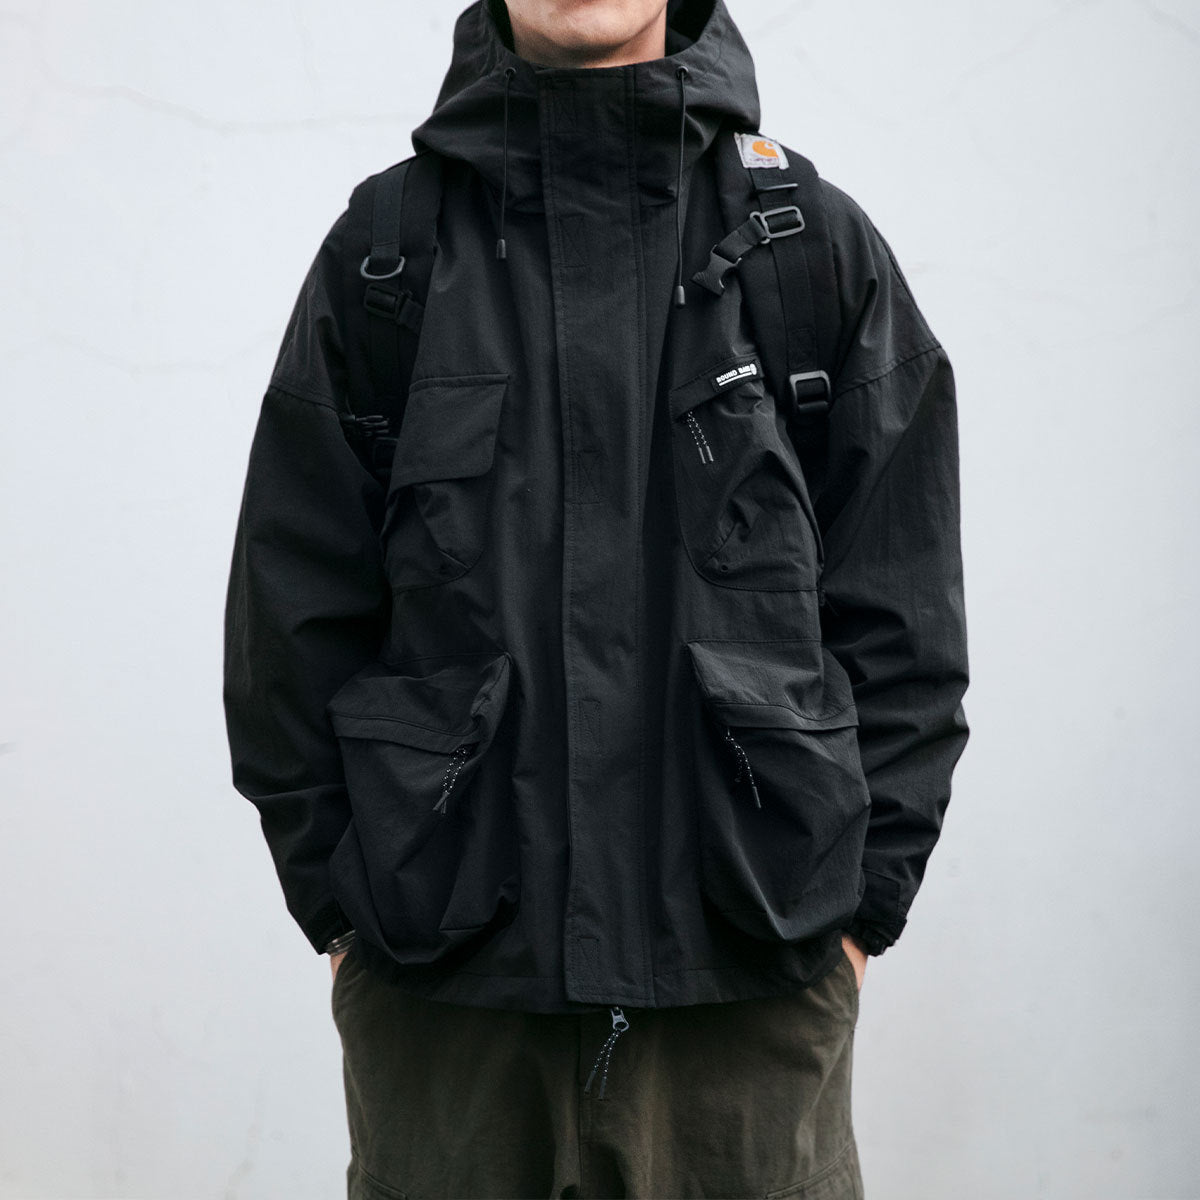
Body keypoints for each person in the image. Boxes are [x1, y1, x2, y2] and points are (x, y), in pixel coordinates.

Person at [221, 0, 970, 1195]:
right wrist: (343, 914)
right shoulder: (387, 256)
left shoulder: (808, 250)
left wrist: (857, 915)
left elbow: (905, 620)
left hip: (749, 1006)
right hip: (449, 1014)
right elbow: (291, 616)